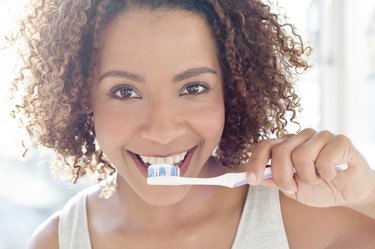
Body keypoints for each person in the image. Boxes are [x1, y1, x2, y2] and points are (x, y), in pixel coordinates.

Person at [8, 0, 375, 248]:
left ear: (230, 91)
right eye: (124, 92)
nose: (162, 129)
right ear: (81, 98)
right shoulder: (59, 241)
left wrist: (369, 196)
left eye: (193, 87)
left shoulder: (307, 222)